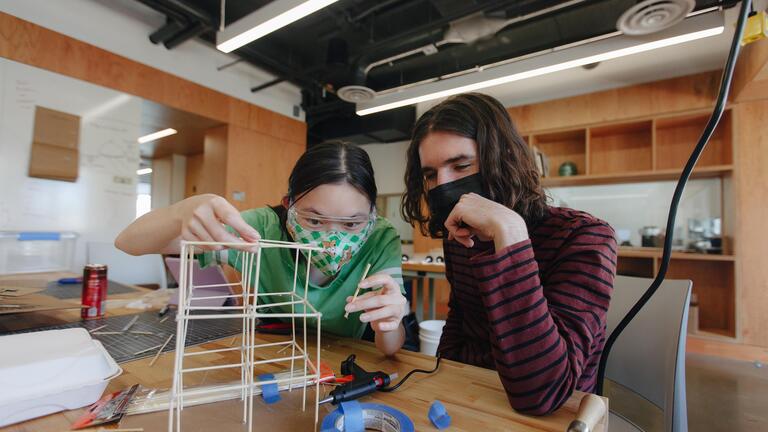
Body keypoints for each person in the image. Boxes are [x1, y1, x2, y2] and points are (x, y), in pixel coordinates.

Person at [401, 93, 617, 415]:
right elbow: (461, 318)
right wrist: (440, 385)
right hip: (471, 394)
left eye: (461, 165)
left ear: (502, 160)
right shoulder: (460, 235)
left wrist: (511, 236)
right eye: (431, 175)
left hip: (556, 412)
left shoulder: (585, 237)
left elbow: (543, 392)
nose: (442, 186)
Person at [116, 141, 407, 355]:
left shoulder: (380, 238)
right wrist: (181, 212)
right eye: (315, 220)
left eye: (352, 225)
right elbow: (128, 242)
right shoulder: (259, 230)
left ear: (372, 216)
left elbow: (391, 349)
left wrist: (391, 321)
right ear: (288, 205)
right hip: (270, 353)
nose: (332, 240)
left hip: (346, 359)